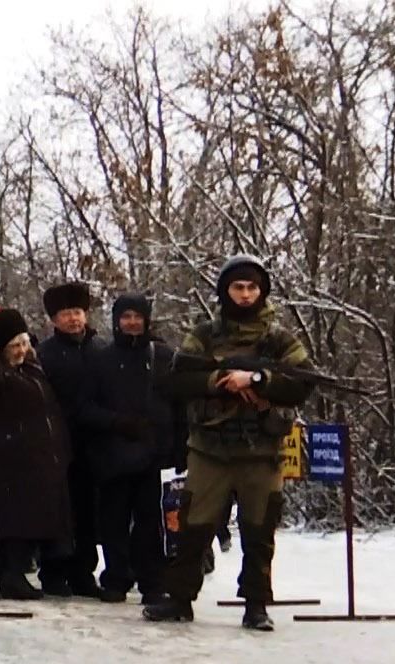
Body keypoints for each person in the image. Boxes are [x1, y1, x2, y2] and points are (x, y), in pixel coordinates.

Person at [147, 255, 315, 630]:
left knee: (259, 530)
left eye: (252, 287)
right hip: (210, 449)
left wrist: (256, 381)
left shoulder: (278, 339)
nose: (244, 294)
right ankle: (179, 598)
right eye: (237, 287)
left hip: (261, 451)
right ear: (225, 291)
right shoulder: (205, 335)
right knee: (193, 527)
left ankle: (256, 604)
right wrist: (220, 381)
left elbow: (303, 382)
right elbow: (177, 380)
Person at [82, 294, 181, 605]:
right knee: (113, 521)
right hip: (113, 455)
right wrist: (116, 423)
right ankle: (116, 578)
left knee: (151, 523)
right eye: (126, 317)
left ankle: (152, 579)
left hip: (155, 455)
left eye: (138, 316)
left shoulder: (164, 356)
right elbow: (84, 408)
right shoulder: (100, 358)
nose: (132, 322)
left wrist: (177, 447)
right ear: (116, 321)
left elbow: (180, 406)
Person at [0, 309, 75, 600]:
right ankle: (12, 575)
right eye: (14, 345)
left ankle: (48, 574)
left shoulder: (32, 371)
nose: (21, 350)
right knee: (18, 520)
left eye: (24, 343)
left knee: (45, 518)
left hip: (45, 456)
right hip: (15, 457)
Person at [35, 282, 106, 598]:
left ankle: (84, 572)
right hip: (57, 443)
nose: (74, 319)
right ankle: (53, 571)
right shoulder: (44, 354)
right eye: (66, 314)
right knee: (58, 510)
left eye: (77, 312)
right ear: (54, 319)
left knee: (90, 511)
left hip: (95, 443)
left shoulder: (102, 349)